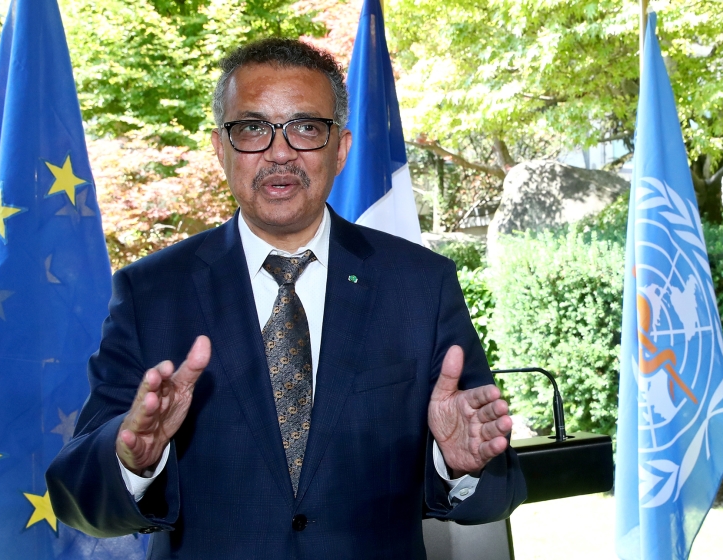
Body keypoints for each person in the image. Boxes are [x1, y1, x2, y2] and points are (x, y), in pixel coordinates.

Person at [45, 38, 525, 558]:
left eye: (304, 128)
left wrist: (459, 464)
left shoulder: (420, 286)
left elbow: (501, 488)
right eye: (252, 128)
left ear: (339, 149)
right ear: (220, 148)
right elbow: (76, 501)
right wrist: (130, 461)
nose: (279, 151)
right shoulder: (150, 292)